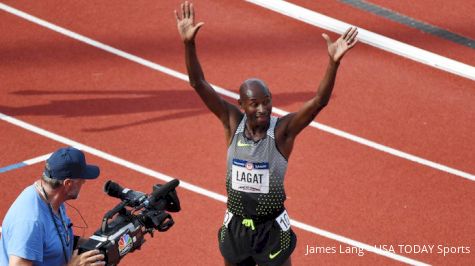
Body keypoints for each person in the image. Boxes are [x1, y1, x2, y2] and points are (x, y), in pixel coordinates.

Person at [175, 2, 358, 265]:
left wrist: (333, 63)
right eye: (255, 103)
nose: (263, 108)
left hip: (271, 229)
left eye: (267, 101)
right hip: (236, 226)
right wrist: (188, 44)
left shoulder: (282, 132)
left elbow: (319, 101)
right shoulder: (232, 123)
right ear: (242, 105)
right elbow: (198, 83)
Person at [0, 147, 106, 266]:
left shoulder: (52, 199)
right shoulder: (31, 221)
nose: (84, 182)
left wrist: (93, 245)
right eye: (82, 179)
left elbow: (52, 240)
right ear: (68, 184)